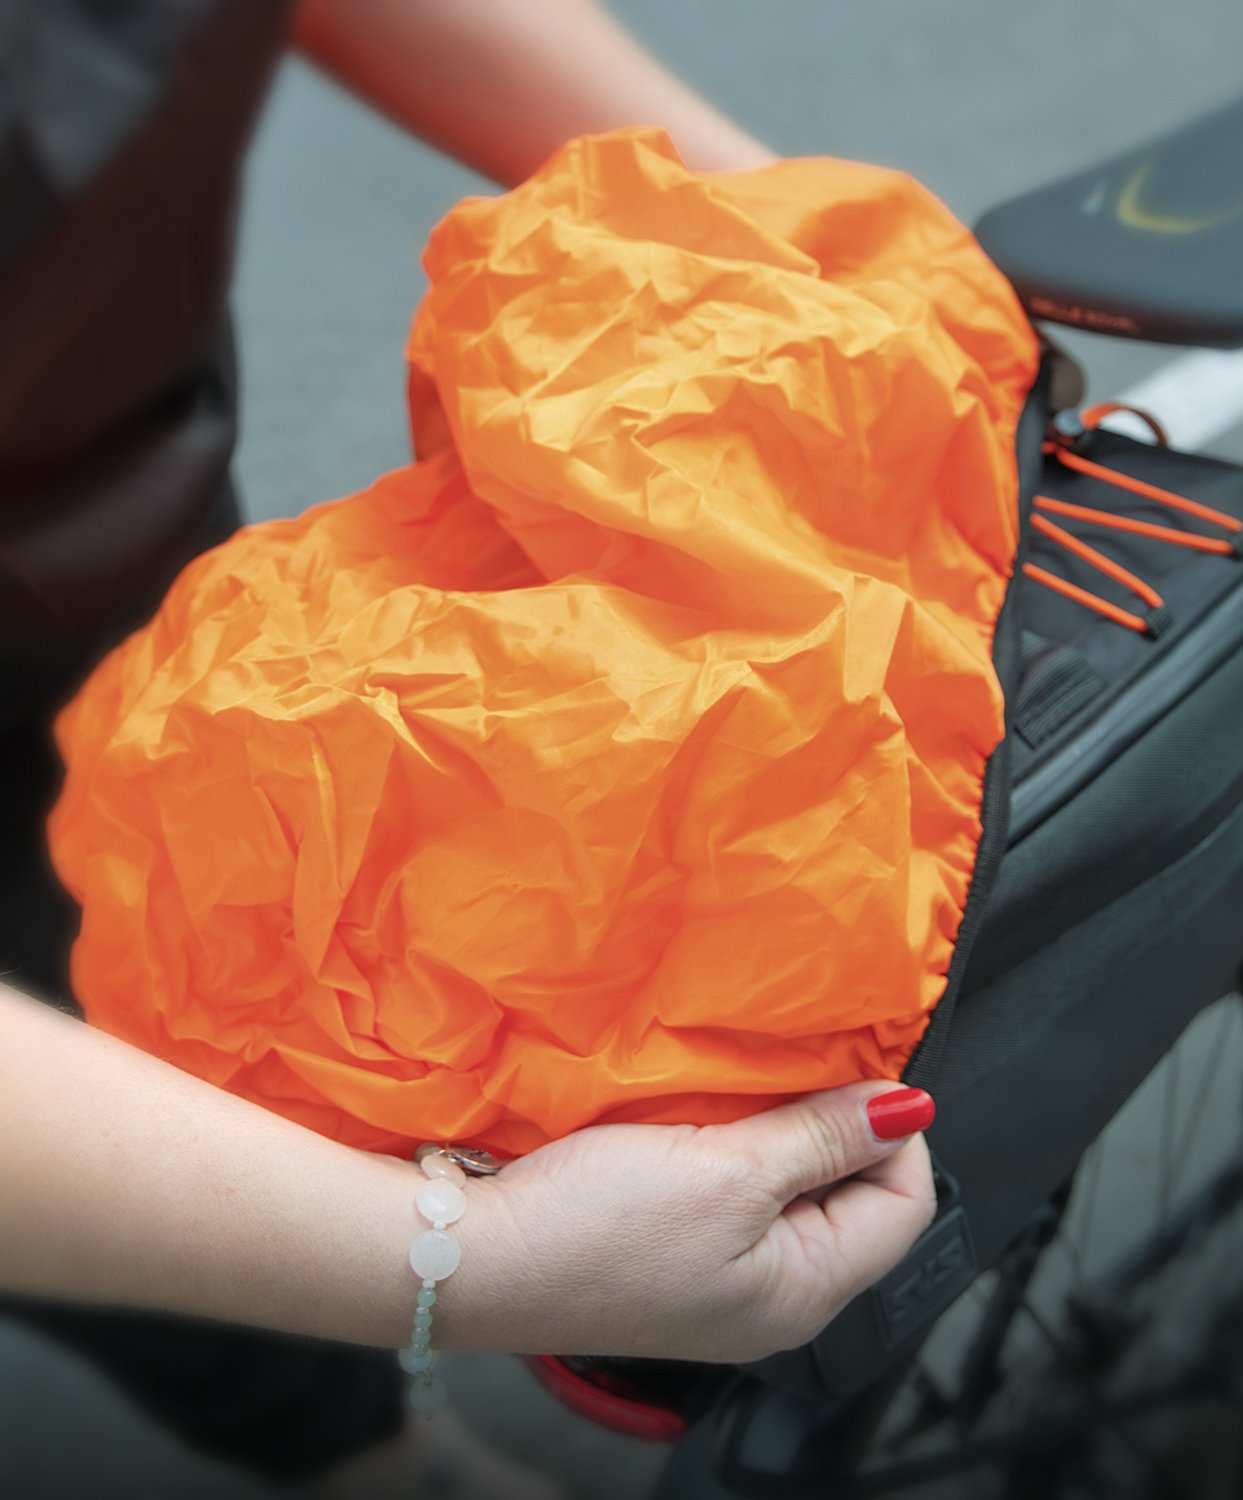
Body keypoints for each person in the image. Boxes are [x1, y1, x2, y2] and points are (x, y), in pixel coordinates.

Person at [0, 2, 936, 1495]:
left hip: (123, 555)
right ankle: (358, 1453)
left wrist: (801, 238)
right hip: (115, 562)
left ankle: (346, 1427)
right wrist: (464, 1258)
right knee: (141, 1144)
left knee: (222, 1017)